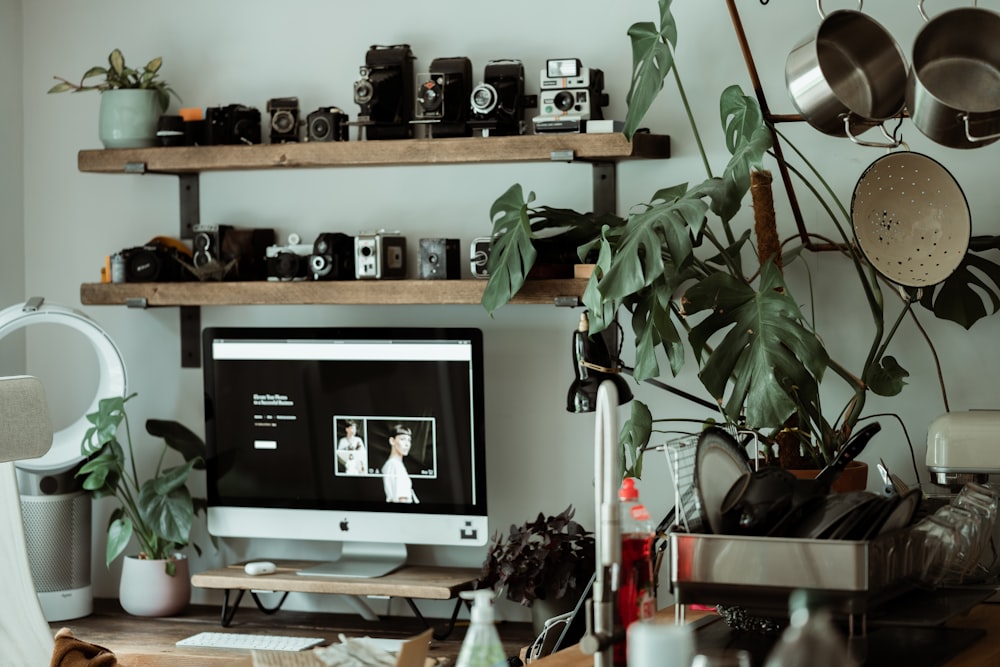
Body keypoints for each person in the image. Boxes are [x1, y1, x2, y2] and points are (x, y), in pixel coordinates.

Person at [382, 424, 418, 503]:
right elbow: (402, 499)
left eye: (409, 440)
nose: (407, 444)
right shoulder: (395, 465)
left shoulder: (393, 464)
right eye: (402, 439)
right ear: (392, 441)